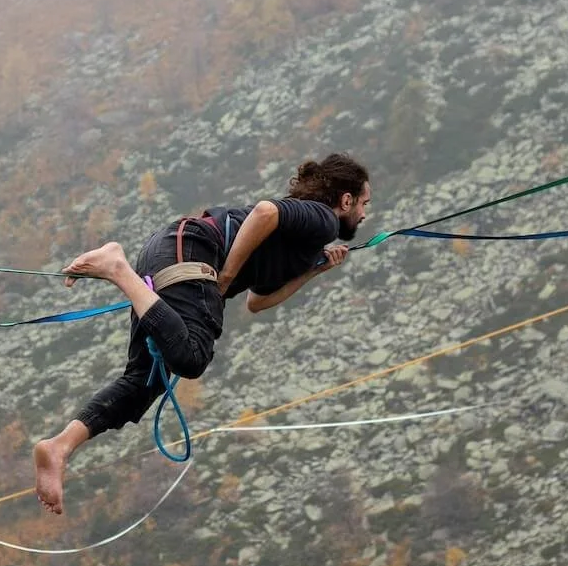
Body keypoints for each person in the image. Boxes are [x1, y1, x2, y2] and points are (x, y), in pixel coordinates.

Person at [32, 153, 372, 514]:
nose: (366, 213)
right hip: (193, 252)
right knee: (191, 356)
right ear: (345, 200)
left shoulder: (307, 244)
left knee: (146, 381)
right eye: (364, 202)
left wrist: (314, 270)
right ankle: (117, 268)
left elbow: (257, 301)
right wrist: (225, 277)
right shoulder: (321, 218)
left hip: (171, 249)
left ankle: (59, 446)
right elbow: (264, 212)